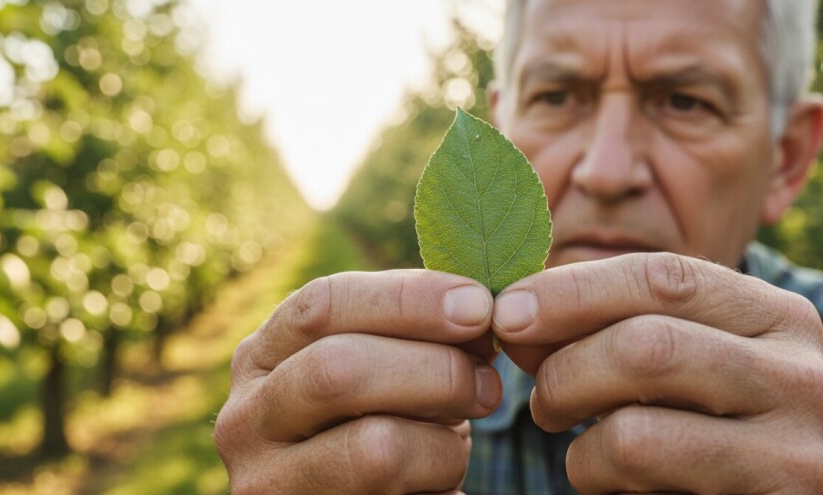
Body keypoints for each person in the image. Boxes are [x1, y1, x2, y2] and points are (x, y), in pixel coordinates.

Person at [214, 0, 823, 493]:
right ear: (503, 128)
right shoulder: (402, 413)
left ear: (787, 159)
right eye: (556, 96)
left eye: (686, 101)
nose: (606, 171)